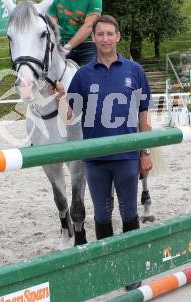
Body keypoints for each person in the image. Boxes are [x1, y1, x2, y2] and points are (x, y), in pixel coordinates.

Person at [52, 15, 153, 290]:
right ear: (94, 38)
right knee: (102, 215)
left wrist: (145, 151)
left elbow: (144, 115)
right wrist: (60, 98)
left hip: (127, 156)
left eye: (110, 34)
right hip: (95, 161)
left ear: (118, 36)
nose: (105, 39)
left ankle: (131, 268)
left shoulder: (134, 71)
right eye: (100, 35)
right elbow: (69, 115)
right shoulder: (83, 75)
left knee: (130, 212)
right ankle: (109, 268)